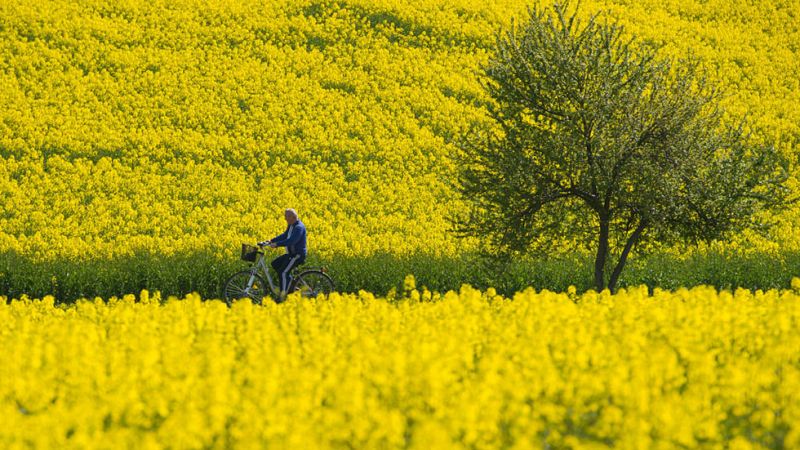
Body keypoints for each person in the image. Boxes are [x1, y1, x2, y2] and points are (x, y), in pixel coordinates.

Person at [258, 208, 307, 300]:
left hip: (297, 255)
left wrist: (277, 244)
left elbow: (291, 241)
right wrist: (270, 241)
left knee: (283, 273)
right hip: (291, 254)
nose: (285, 219)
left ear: (293, 217)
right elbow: (285, 235)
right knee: (275, 264)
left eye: (286, 217)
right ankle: (290, 287)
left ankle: (282, 296)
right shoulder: (291, 225)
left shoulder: (298, 227)